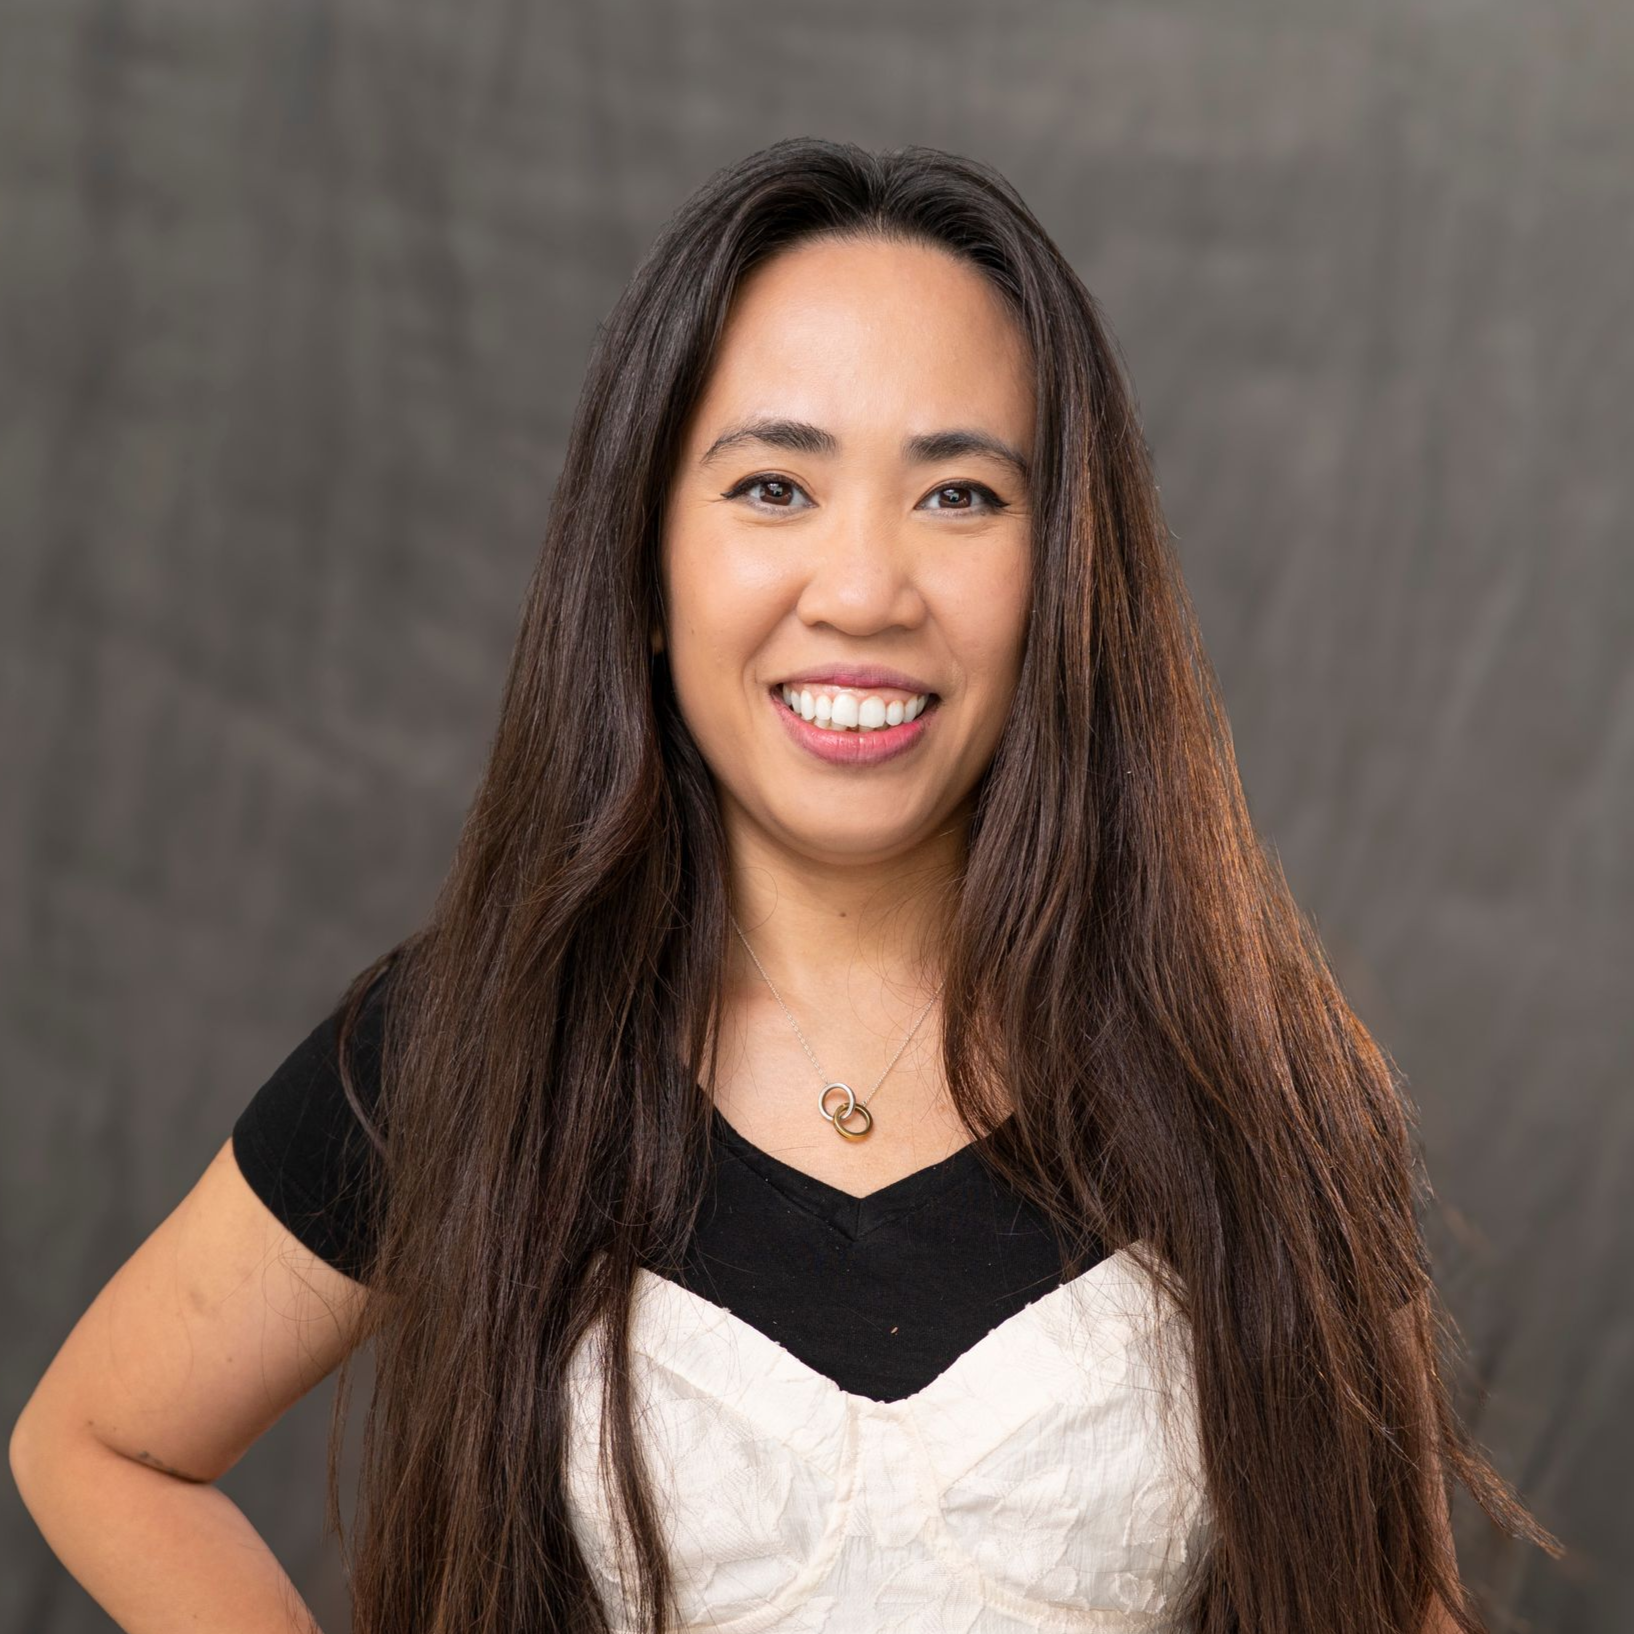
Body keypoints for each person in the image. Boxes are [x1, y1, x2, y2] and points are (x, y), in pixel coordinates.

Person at [10, 138, 1559, 1634]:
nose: (866, 588)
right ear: (649, 561)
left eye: (960, 494)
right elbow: (100, 1442)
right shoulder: (469, 1045)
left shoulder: (1259, 1080)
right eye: (771, 487)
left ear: (1065, 573)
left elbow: (1386, 1597)